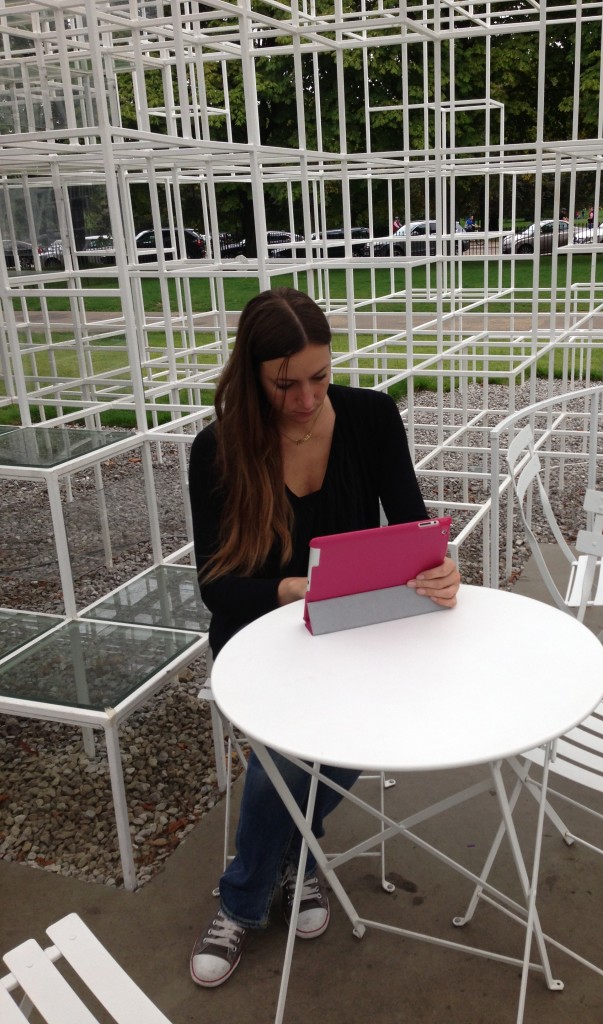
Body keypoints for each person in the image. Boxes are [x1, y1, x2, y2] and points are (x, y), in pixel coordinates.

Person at [188, 287, 460, 988]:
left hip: (348, 627)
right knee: (289, 751)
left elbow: (412, 531)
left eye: (319, 377)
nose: (306, 398)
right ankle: (256, 888)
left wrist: (439, 569)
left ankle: (286, 862)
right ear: (252, 375)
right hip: (256, 636)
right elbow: (217, 588)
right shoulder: (217, 450)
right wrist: (291, 588)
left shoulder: (371, 418)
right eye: (286, 384)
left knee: (345, 740)